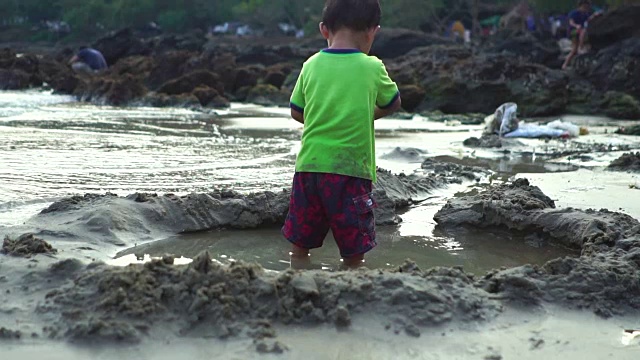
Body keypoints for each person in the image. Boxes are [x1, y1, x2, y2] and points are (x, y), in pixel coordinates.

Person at [282, 0, 402, 269]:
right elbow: (393, 101)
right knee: (353, 251)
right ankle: (351, 283)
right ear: (373, 31)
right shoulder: (372, 66)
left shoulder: (310, 65)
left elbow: (296, 111)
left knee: (300, 244)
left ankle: (297, 276)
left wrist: (325, 116)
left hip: (309, 168)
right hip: (350, 171)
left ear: (324, 29)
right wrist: (363, 114)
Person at [562, 0, 602, 70]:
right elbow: (571, 22)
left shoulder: (585, 14)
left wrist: (594, 15)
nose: (586, 8)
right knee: (583, 31)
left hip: (580, 32)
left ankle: (565, 65)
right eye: (584, 6)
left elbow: (588, 20)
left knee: (574, 50)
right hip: (573, 31)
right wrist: (576, 26)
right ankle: (580, 47)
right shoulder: (574, 13)